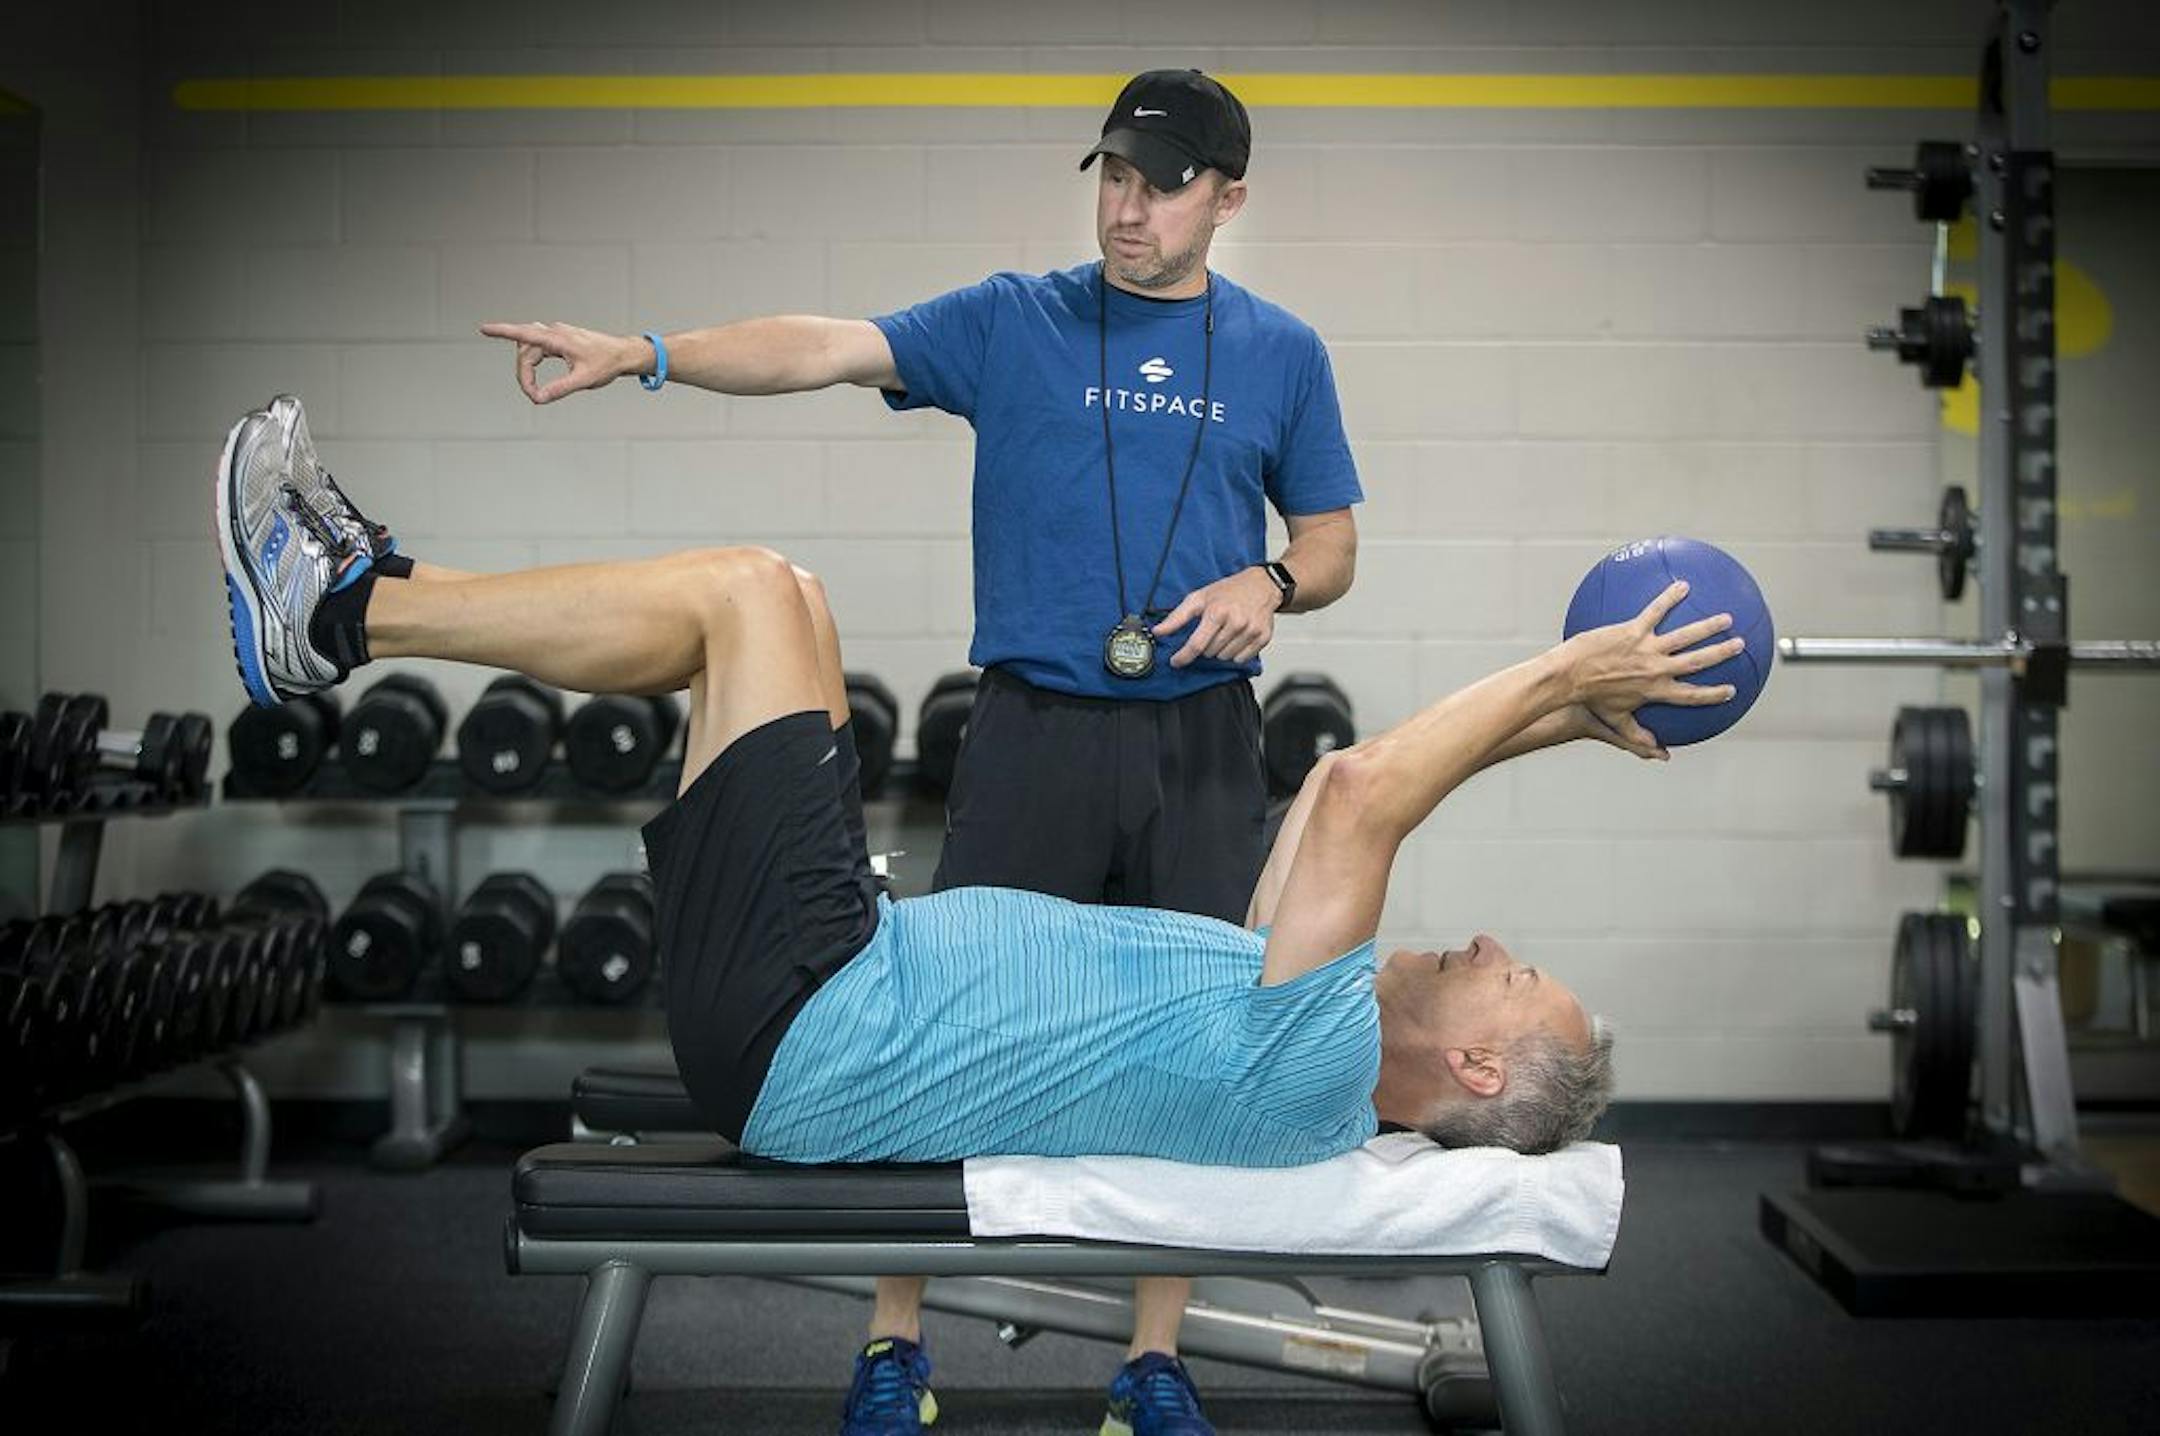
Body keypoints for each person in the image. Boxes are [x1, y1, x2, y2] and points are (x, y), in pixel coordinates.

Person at [218, 397, 1737, 1430]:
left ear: (1474, 1073)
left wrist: (1565, 668)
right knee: (785, 599)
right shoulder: (1289, 1011)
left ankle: (344, 609)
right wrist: (1569, 720)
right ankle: (352, 599)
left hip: (812, 1019)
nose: (1487, 945)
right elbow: (1343, 773)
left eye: (1509, 978)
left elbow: (1360, 807)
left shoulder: (1321, 1065)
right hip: (839, 972)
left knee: (746, 595)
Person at [477, 69, 1364, 1435]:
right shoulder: (1017, 319)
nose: (1126, 210)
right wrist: (648, 352)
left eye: (1161, 185)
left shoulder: (1283, 352)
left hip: (1200, 741)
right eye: (1113, 177)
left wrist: (1276, 586)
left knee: (1199, 1056)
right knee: (934, 1038)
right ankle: (896, 1346)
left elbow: (1333, 541)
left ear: (1229, 199)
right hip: (1031, 734)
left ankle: (1155, 1359)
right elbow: (824, 345)